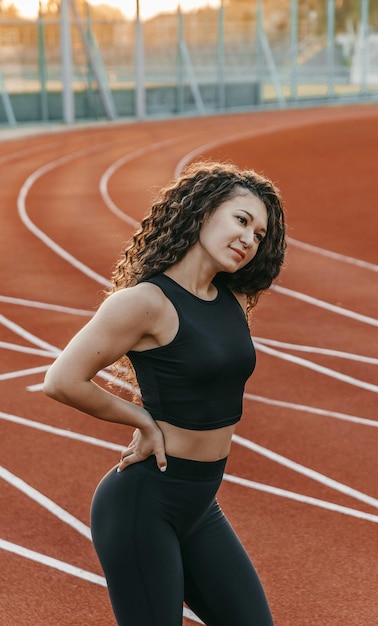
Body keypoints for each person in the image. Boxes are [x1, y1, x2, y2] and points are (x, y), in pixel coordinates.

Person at [43, 160, 286, 626]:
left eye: (259, 234)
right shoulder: (144, 302)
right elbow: (62, 380)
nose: (249, 240)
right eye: (241, 220)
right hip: (143, 504)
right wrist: (140, 420)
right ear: (201, 212)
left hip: (200, 504)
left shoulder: (231, 299)